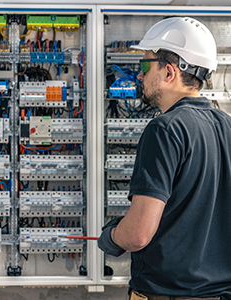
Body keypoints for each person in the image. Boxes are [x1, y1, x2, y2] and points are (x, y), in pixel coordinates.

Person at [98, 17, 231, 300]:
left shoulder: (165, 129)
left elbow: (138, 234)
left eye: (145, 66)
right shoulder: (227, 126)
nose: (139, 75)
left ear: (169, 72)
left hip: (167, 294)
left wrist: (111, 236)